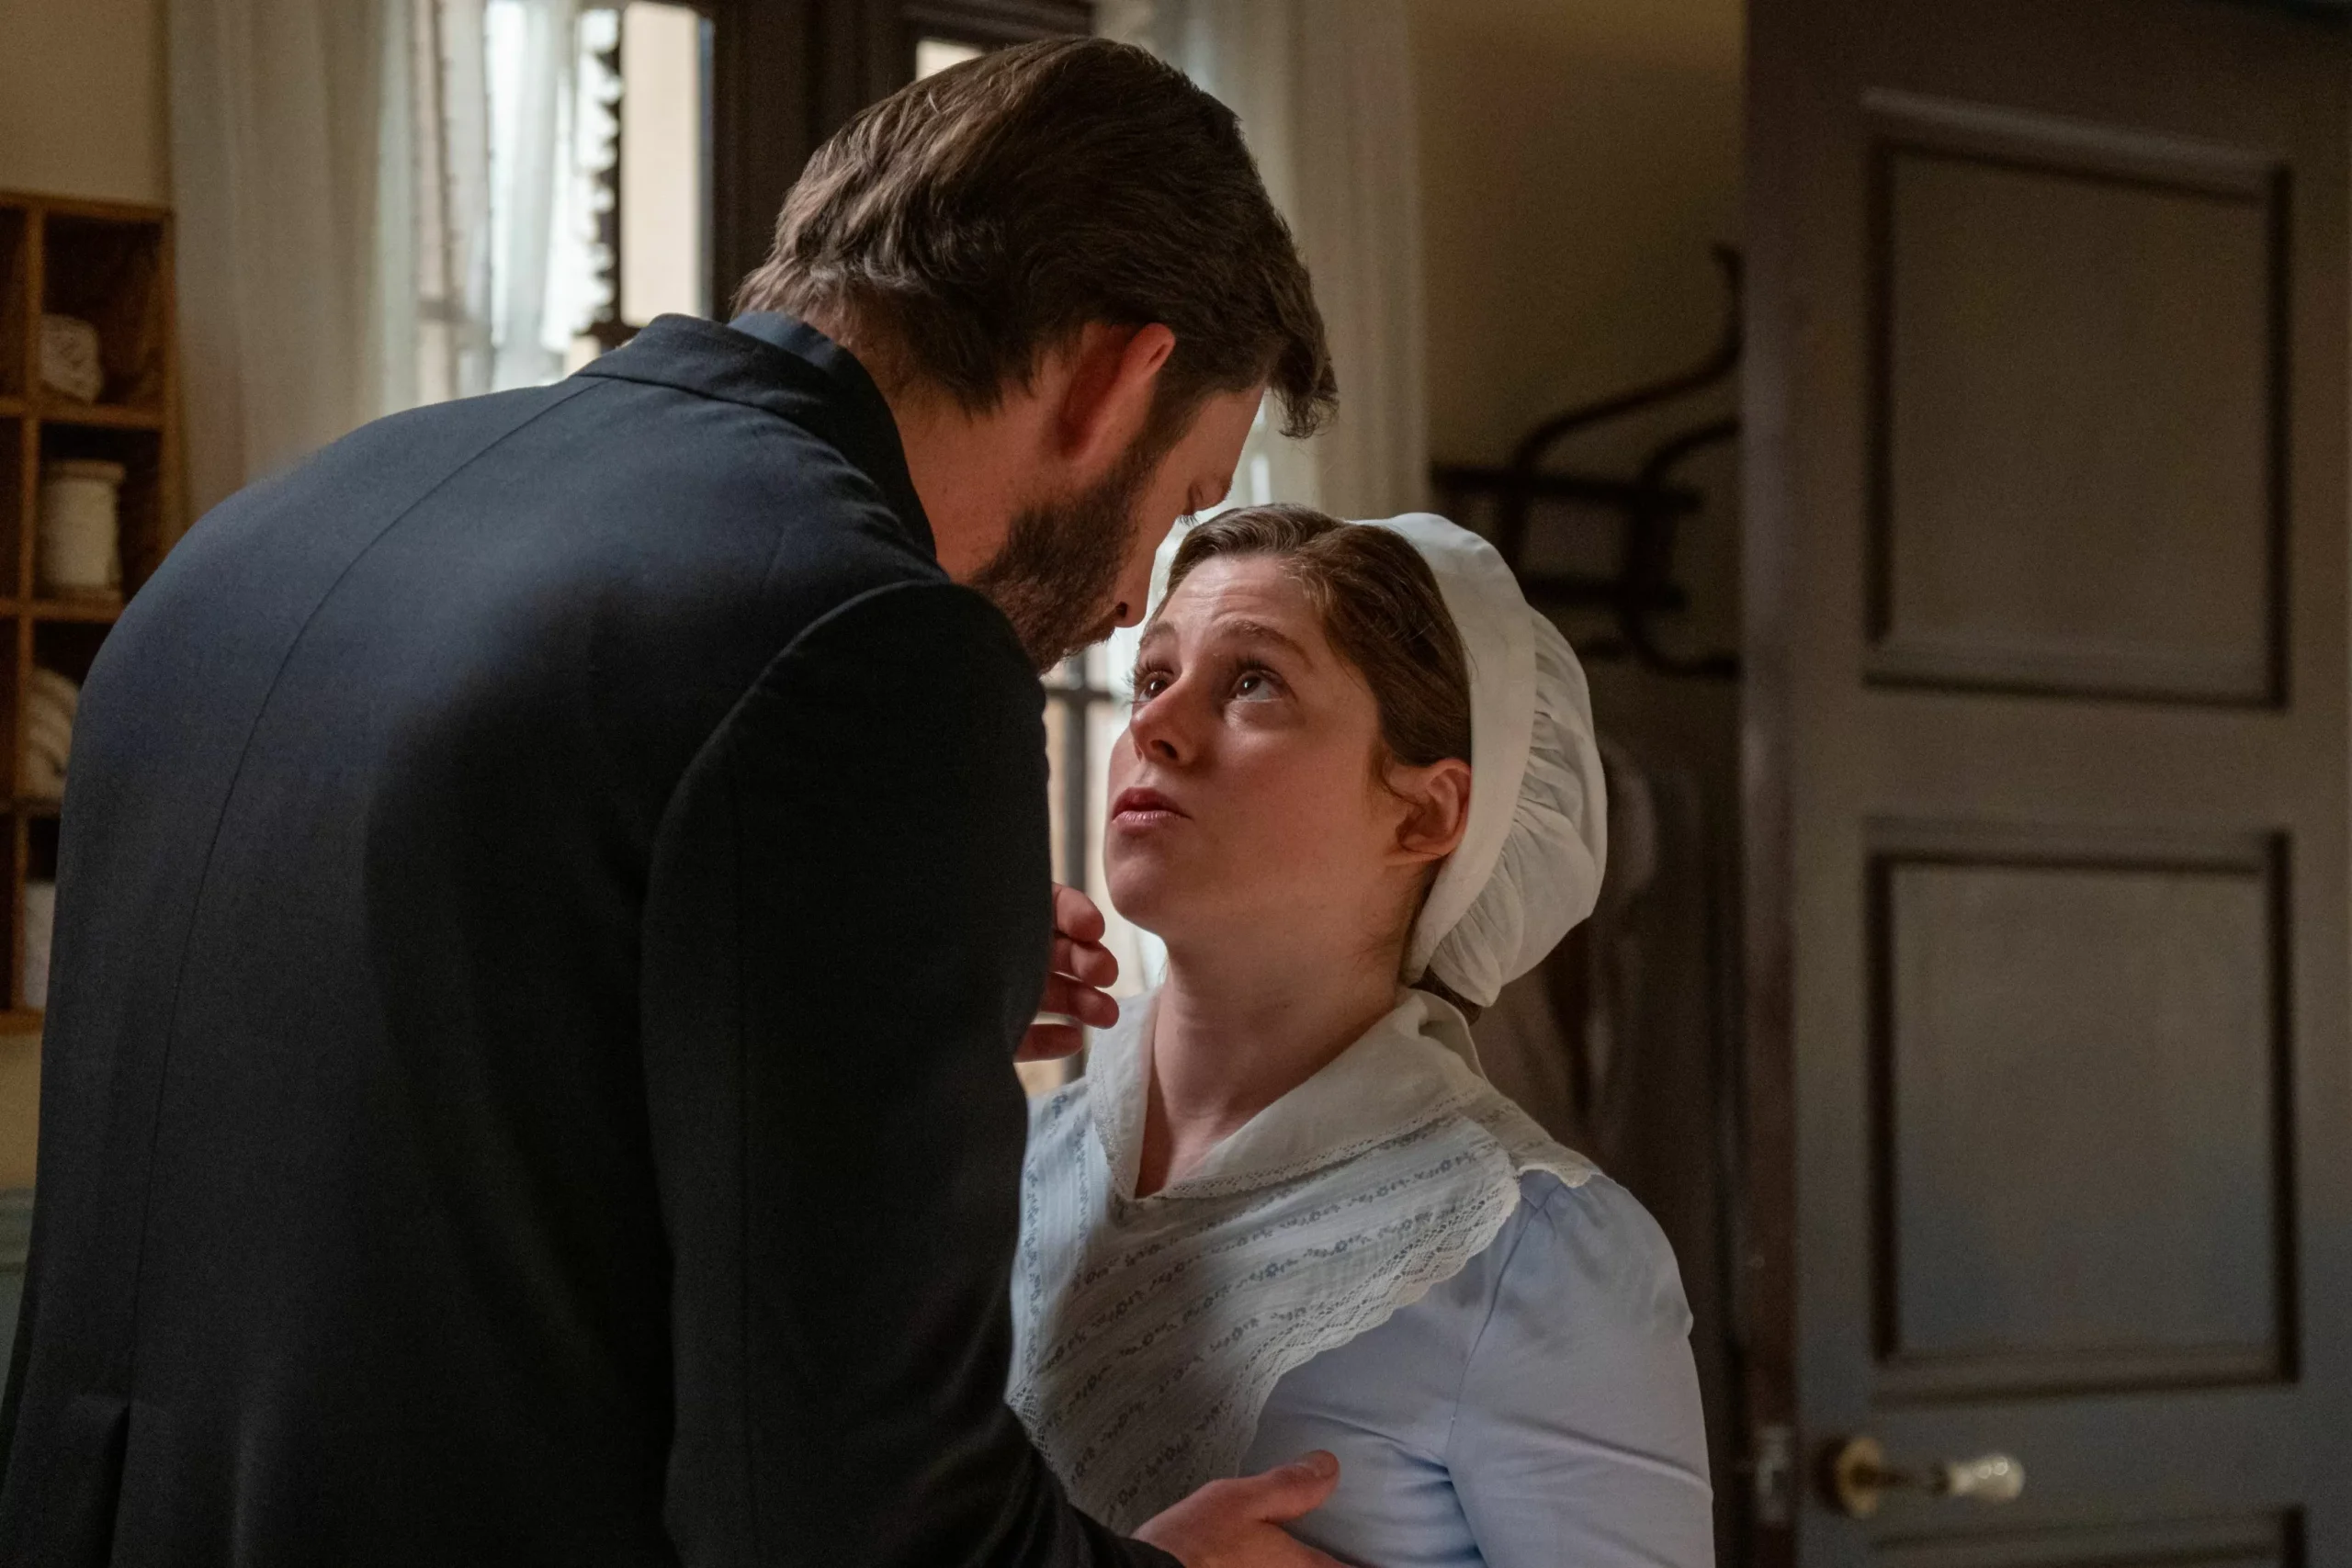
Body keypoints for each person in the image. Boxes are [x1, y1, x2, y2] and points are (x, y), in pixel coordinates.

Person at [0, 40, 1353, 1568]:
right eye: (1183, 505)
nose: (1125, 603)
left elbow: (399, 1109)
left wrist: (873, 976)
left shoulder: (252, 540)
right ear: (1117, 376)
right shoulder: (870, 646)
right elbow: (855, 1517)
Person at [1011, 507, 1715, 1568]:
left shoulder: (1528, 1252)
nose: (1155, 724)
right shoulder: (1009, 1162)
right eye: (1153, 676)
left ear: (1425, 815)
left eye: (1253, 682)